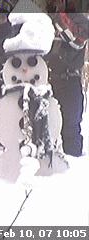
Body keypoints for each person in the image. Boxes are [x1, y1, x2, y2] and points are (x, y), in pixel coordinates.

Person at [45, 12, 89, 157]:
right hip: (47, 82)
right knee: (46, 128)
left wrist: (57, 17)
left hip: (69, 82)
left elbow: (77, 40)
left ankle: (73, 168)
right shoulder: (42, 17)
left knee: (70, 129)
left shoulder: (80, 19)